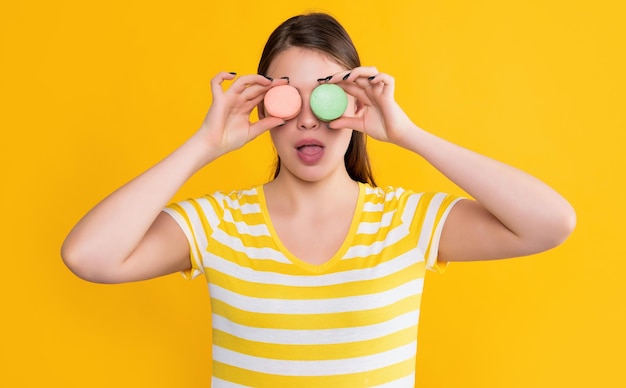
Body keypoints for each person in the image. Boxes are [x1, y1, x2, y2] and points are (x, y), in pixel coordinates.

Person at [61, 12, 576, 387]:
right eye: (288, 96)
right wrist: (203, 146)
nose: (308, 118)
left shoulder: (404, 221)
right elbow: (88, 256)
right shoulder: (219, 222)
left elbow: (550, 222)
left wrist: (409, 134)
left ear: (356, 103)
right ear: (263, 106)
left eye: (326, 95)